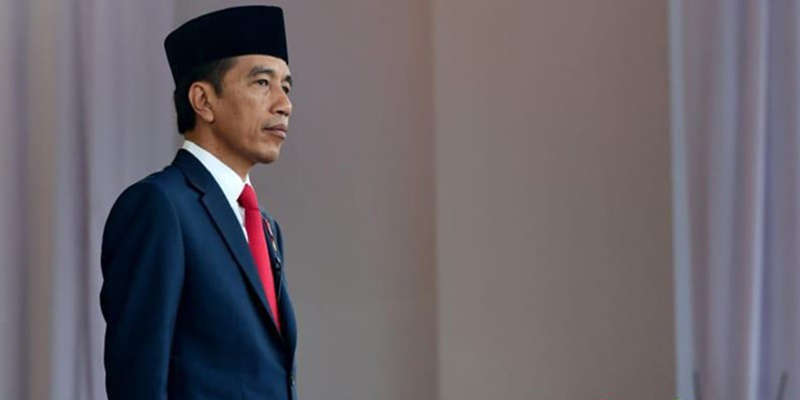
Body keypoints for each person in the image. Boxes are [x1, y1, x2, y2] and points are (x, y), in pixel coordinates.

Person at [100, 6, 298, 399]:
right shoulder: (160, 206)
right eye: (262, 82)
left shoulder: (266, 227)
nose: (283, 104)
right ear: (203, 100)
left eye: (286, 88)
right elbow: (138, 380)